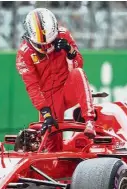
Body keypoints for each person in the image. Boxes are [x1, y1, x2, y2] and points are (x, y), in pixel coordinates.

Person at [16, 8, 96, 152]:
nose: (47, 46)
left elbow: (79, 63)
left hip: (66, 88)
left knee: (78, 73)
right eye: (42, 44)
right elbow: (32, 87)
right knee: (52, 148)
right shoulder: (24, 54)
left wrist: (69, 50)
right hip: (48, 100)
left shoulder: (64, 34)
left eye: (50, 41)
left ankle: (90, 121)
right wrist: (46, 113)